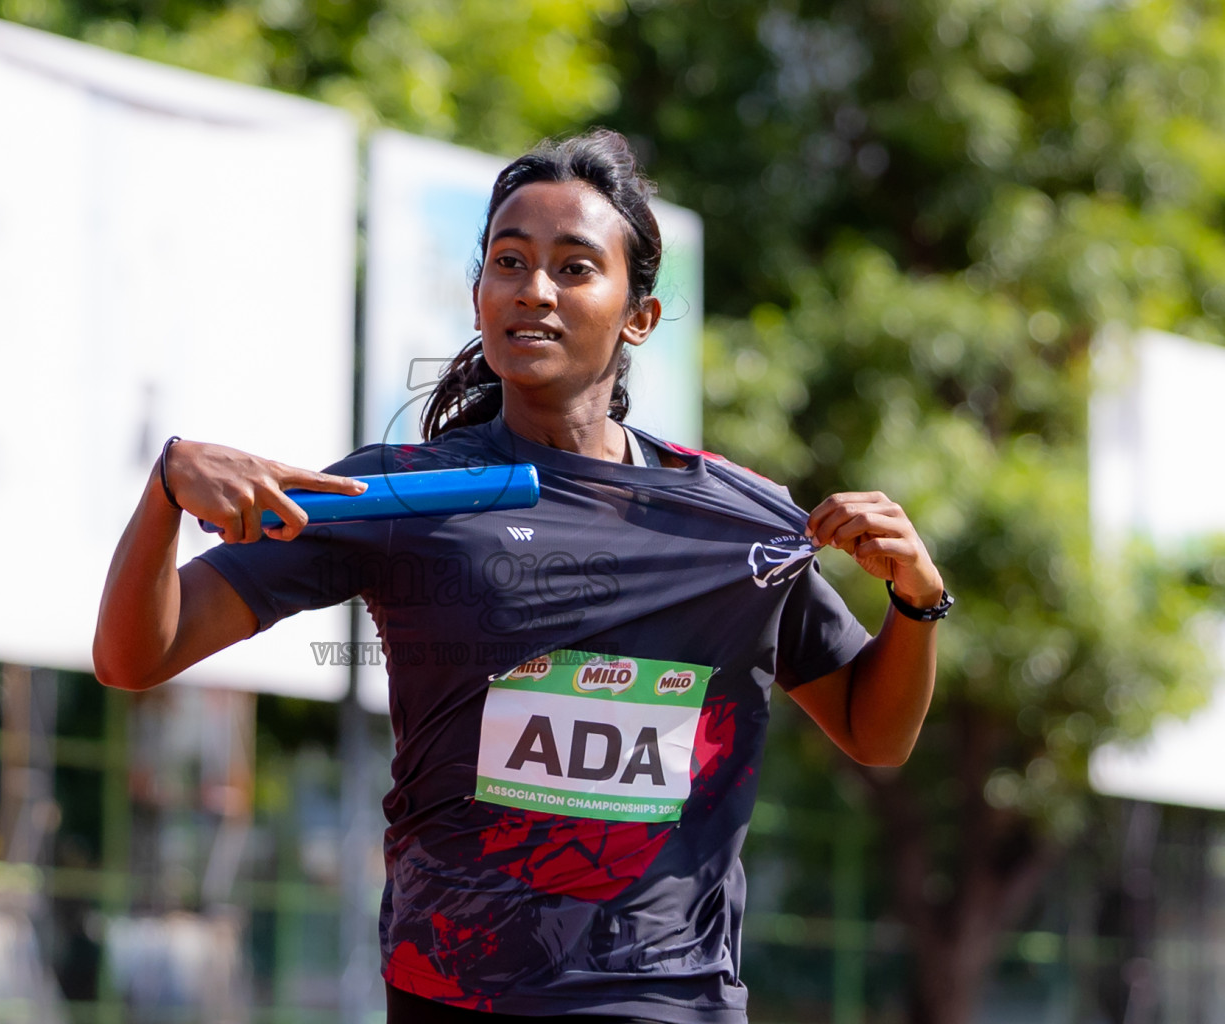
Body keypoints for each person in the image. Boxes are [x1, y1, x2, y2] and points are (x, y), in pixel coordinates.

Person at [94, 129, 949, 1023]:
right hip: (457, 993)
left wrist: (917, 601)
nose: (535, 289)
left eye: (575, 268)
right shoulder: (404, 493)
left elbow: (874, 731)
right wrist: (166, 488)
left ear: (639, 316)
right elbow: (133, 656)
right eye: (509, 262)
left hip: (666, 994)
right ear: (478, 298)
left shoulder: (738, 521)